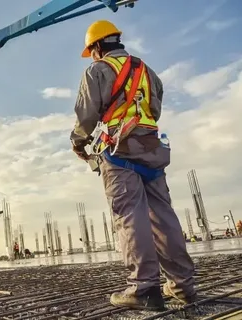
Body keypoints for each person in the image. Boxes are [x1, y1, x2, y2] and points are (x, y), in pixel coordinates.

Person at [70, 20, 196, 310]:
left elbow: (86, 116)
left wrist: (77, 142)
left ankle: (144, 289)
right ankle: (184, 286)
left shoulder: (97, 70)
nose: (91, 56)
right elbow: (154, 109)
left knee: (130, 216)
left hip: (119, 151)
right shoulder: (148, 72)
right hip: (151, 148)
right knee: (163, 216)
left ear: (98, 46)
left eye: (91, 50)